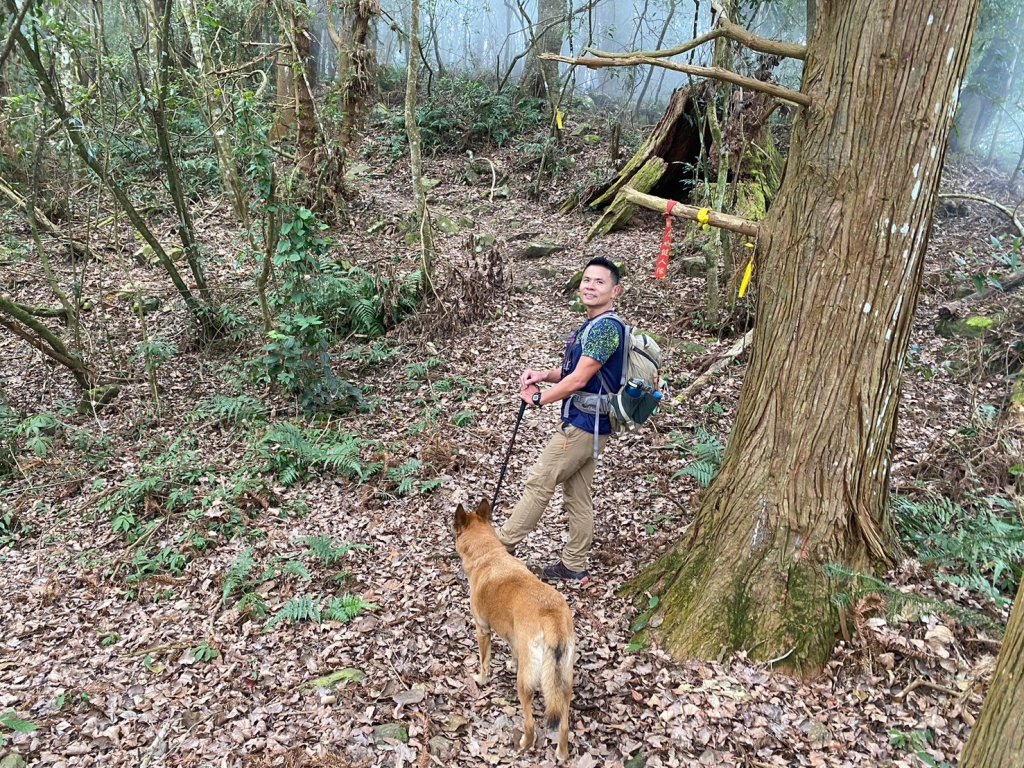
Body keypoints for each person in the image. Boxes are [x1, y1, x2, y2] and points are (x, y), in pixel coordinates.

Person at [496, 256, 625, 583]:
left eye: (599, 282)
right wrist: (544, 374)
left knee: (540, 480)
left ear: (615, 291)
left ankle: (499, 548)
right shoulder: (594, 325)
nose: (590, 286)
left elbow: (580, 380)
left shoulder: (606, 329)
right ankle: (573, 564)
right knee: (577, 495)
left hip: (582, 426)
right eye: (586, 280)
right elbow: (572, 373)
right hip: (593, 424)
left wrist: (540, 397)